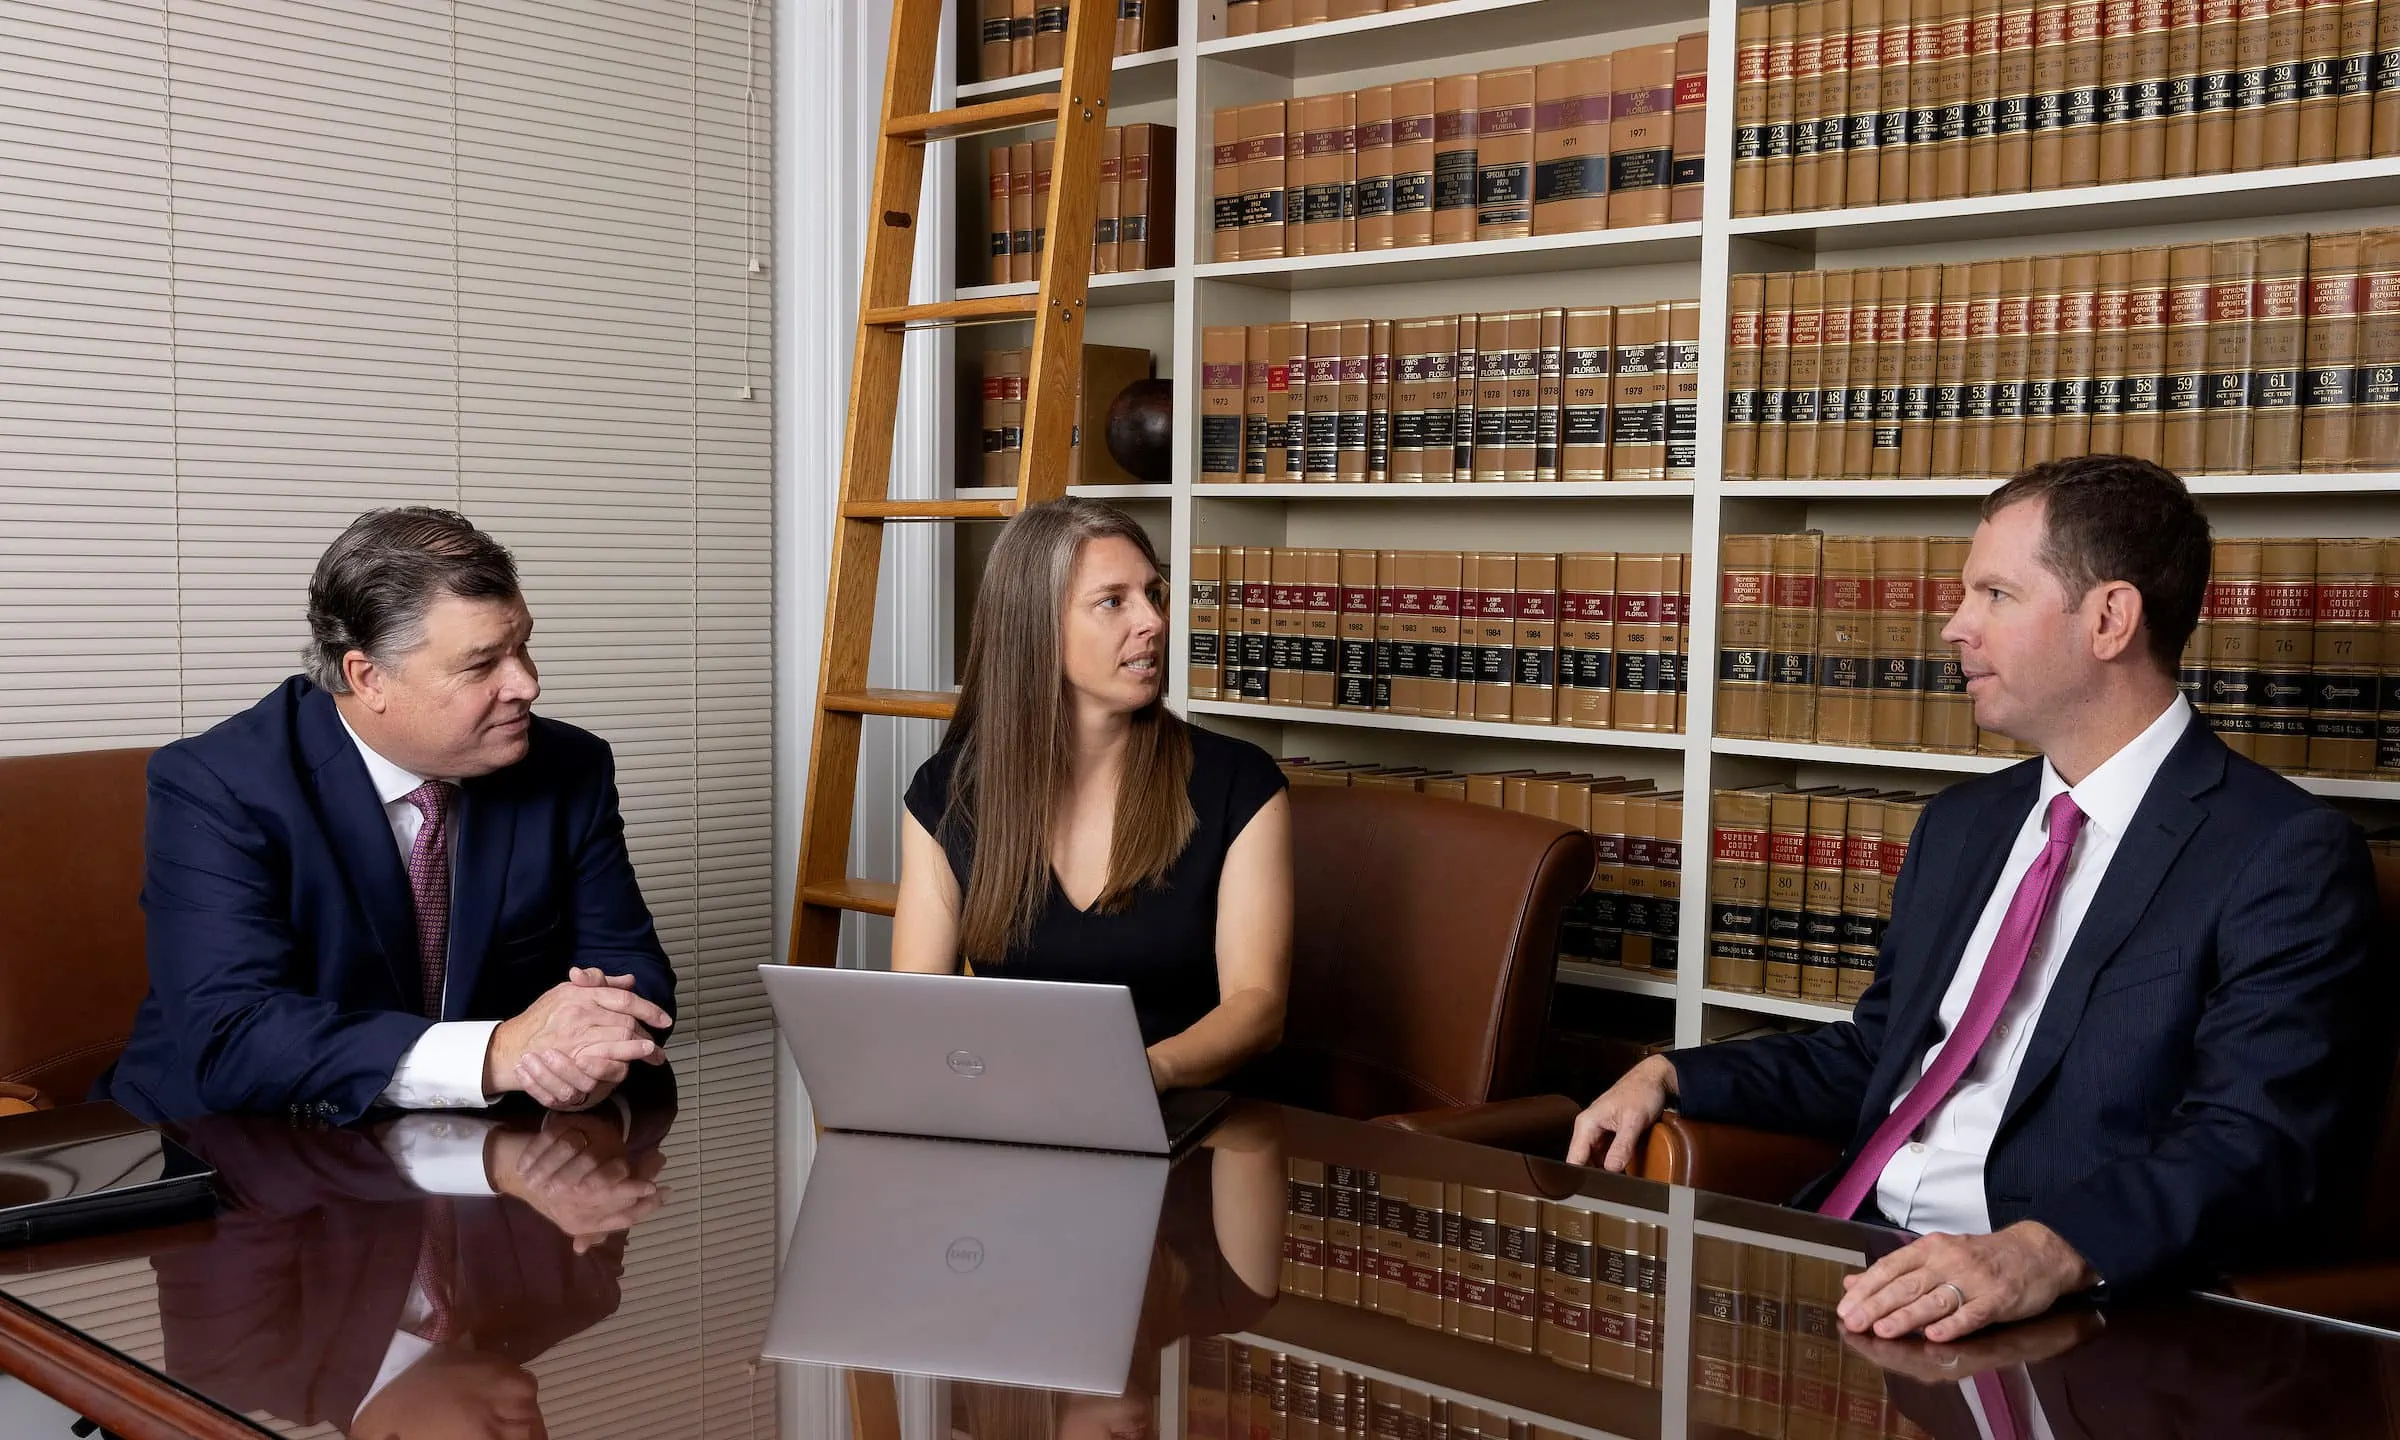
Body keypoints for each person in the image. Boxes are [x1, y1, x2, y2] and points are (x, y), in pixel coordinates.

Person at [1566, 455, 2381, 1342]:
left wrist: (2044, 1251)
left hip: (2047, 1310)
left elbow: (2252, 1141)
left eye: (1995, 595)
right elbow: (1883, 1056)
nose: (1955, 627)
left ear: (2110, 619)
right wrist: (1672, 1070)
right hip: (1849, 1256)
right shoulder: (1966, 825)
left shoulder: (2280, 851)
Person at [108, 507, 678, 1124]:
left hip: (477, 1150)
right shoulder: (220, 785)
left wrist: (593, 1048)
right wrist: (498, 1051)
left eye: (523, 646)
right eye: (483, 664)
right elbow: (234, 1035)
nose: (526, 684)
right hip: (240, 1149)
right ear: (368, 677)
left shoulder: (570, 766)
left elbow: (630, 964)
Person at [892, 499, 1291, 1091]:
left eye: (1152, 595)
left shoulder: (1242, 783)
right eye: (1113, 601)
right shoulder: (945, 795)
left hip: (1191, 1122)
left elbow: (1257, 1006)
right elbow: (919, 1007)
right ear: (1035, 627)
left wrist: (1144, 1072)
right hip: (1018, 1118)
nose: (1152, 621)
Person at [153, 1087, 674, 1439]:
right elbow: (644, 1096)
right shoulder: (577, 1294)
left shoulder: (229, 1365)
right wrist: (589, 1131)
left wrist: (488, 1162)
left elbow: (229, 1161)